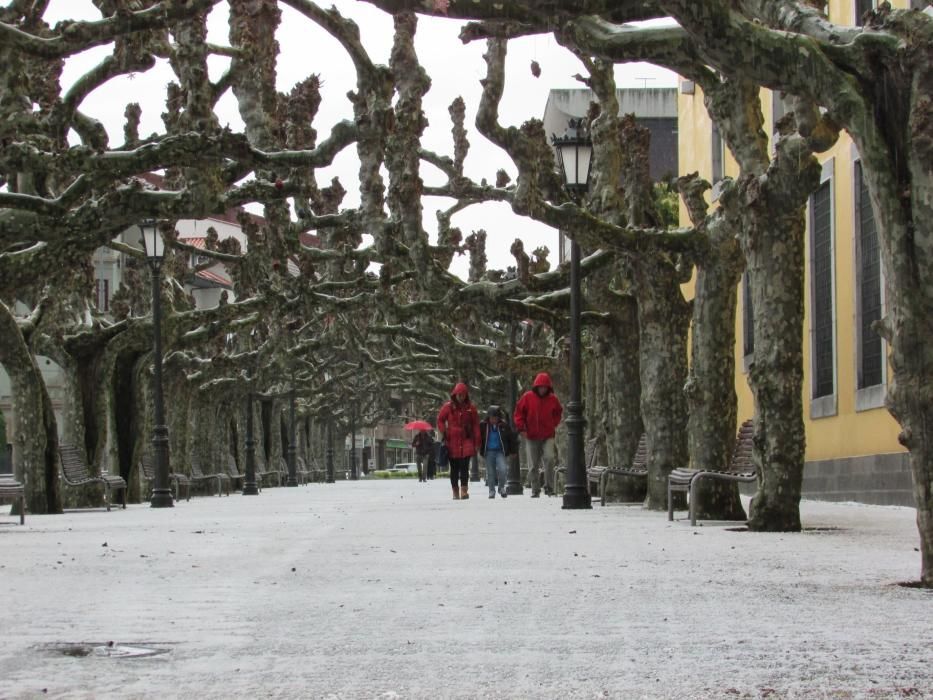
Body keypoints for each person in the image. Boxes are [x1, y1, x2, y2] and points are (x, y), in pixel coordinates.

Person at [513, 372, 563, 497]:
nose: (542, 389)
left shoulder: (553, 399)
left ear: (548, 387)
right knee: (533, 464)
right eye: (540, 387)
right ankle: (535, 489)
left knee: (550, 458)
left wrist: (554, 424)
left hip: (548, 435)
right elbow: (518, 413)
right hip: (531, 435)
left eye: (545, 387)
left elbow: (558, 412)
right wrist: (522, 428)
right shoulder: (527, 397)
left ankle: (549, 487)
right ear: (536, 386)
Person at [437, 382, 480, 500]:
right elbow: (440, 420)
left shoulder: (471, 408)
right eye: (459, 395)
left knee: (465, 467)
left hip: (466, 439)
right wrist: (444, 431)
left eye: (463, 395)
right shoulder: (448, 407)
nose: (461, 397)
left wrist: (477, 442)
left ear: (466, 395)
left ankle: (464, 491)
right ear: (455, 395)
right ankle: (455, 491)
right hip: (452, 441)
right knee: (454, 468)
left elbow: (476, 425)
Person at [479, 405, 517, 499]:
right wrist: (478, 448)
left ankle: (501, 488)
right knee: (491, 472)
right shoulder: (483, 426)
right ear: (488, 417)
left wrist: (513, 451)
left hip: (500, 451)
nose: (493, 420)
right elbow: (478, 438)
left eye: (495, 418)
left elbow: (511, 439)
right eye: (492, 418)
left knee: (503, 469)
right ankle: (491, 491)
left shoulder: (504, 426)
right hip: (488, 452)